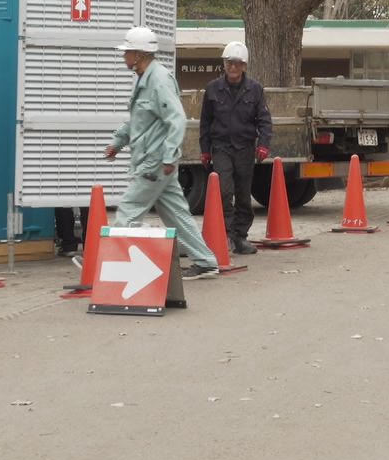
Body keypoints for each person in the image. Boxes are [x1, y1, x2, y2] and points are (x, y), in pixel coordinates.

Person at [102, 27, 219, 278]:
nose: (124, 57)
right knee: (176, 214)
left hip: (154, 162)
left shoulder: (159, 80)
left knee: (129, 210)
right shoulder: (146, 79)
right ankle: (206, 261)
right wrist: (119, 141)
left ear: (139, 55)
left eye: (127, 52)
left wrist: (168, 156)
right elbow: (140, 120)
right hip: (156, 161)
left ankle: (109, 267)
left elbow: (176, 119)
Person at [200, 40, 273, 258]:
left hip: (245, 149)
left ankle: (240, 236)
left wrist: (264, 145)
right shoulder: (213, 89)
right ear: (224, 64)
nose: (233, 67)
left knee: (243, 194)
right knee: (224, 191)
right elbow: (205, 123)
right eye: (229, 63)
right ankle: (227, 235)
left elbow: (265, 120)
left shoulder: (255, 90)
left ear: (244, 66)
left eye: (237, 64)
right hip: (221, 147)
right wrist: (205, 150)